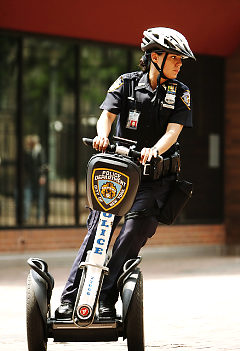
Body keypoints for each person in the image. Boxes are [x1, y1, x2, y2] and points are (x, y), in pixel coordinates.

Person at [55, 27, 195, 319]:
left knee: (133, 232)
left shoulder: (180, 92)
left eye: (181, 60)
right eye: (175, 59)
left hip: (152, 180)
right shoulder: (126, 84)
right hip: (118, 174)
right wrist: (102, 137)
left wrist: (155, 149)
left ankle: (105, 299)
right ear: (155, 57)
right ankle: (69, 299)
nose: (180, 64)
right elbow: (106, 117)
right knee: (98, 234)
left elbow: (173, 132)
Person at [23, 134, 47, 223]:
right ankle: (26, 217)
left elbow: (43, 164)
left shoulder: (40, 151)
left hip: (38, 178)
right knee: (27, 199)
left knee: (40, 199)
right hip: (29, 179)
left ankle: (38, 217)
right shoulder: (27, 151)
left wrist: (42, 176)